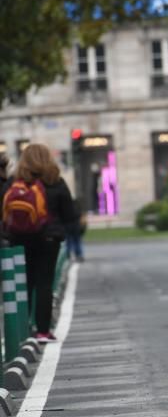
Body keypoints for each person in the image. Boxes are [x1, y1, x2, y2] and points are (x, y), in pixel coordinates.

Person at [2, 144, 78, 342]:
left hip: (18, 240)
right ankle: (43, 331)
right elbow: (69, 214)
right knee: (44, 283)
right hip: (48, 239)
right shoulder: (55, 181)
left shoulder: (13, 183)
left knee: (22, 282)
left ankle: (21, 329)